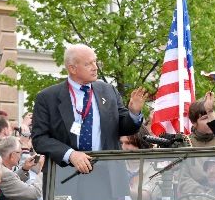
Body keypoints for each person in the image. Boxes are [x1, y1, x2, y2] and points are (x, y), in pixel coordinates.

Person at [31, 43, 146, 174]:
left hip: (107, 175)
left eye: (95, 62)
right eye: (88, 64)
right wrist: (71, 154)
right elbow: (39, 139)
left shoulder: (108, 91)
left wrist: (134, 112)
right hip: (66, 175)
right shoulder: (47, 97)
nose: (95, 68)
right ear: (72, 68)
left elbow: (125, 127)